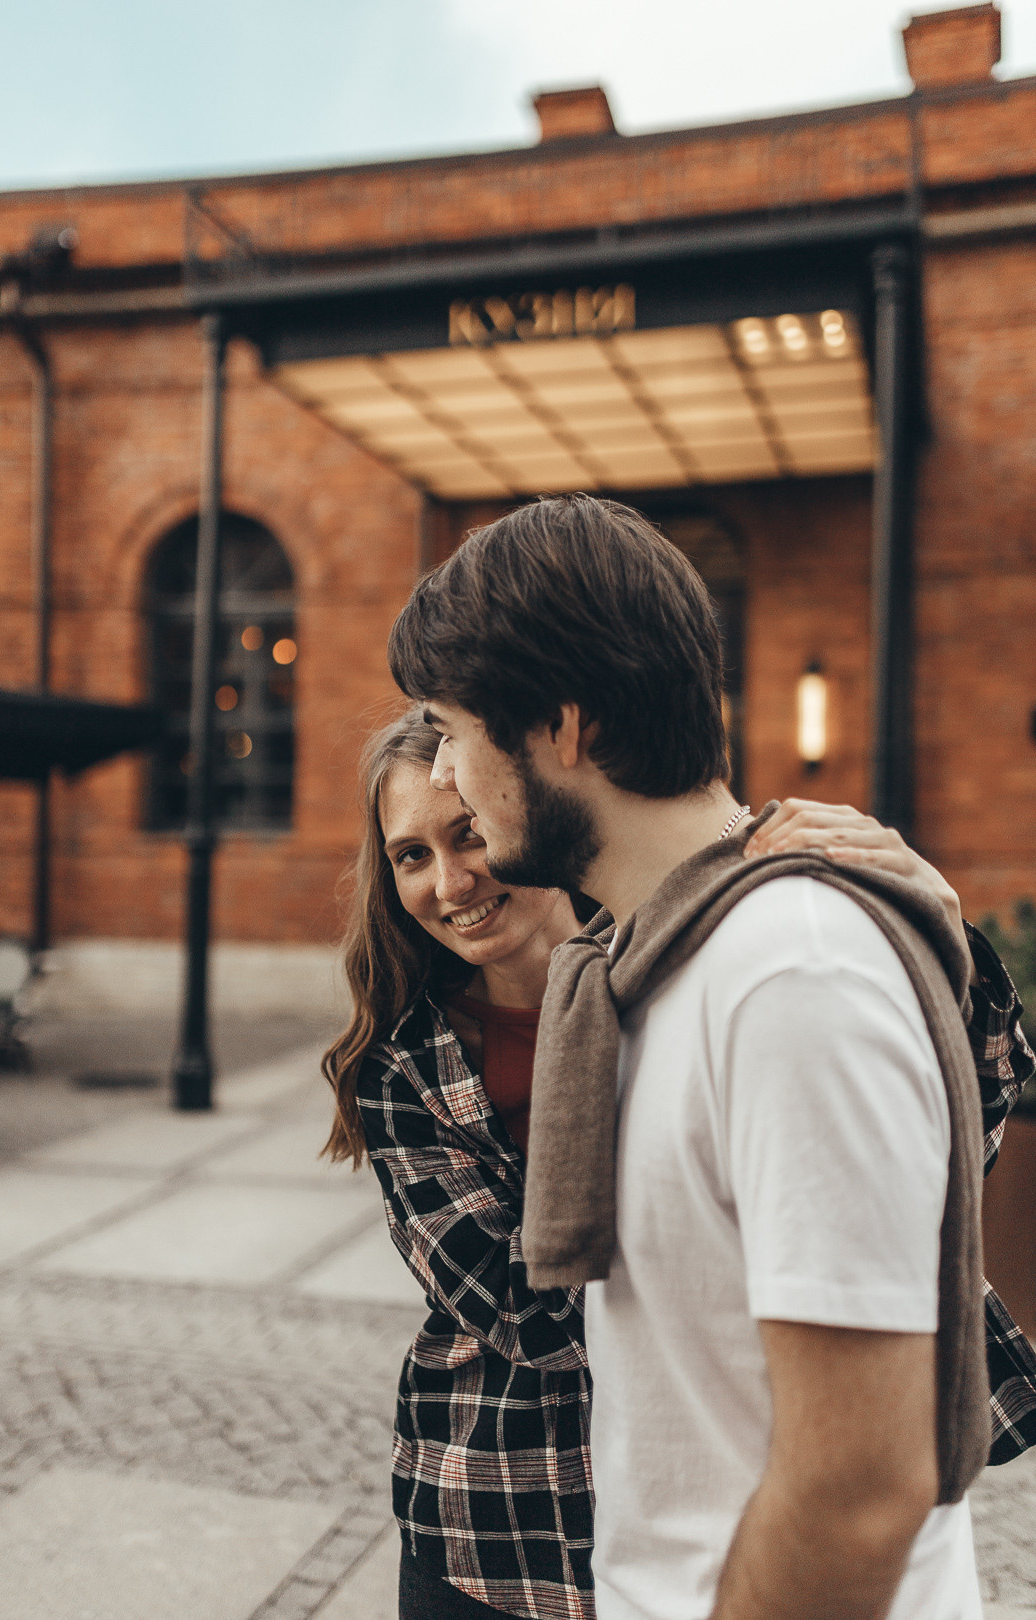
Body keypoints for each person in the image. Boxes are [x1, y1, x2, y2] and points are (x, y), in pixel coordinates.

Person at [386, 494, 1036, 1620]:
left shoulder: (790, 971)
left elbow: (862, 1483)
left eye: (453, 728)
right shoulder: (649, 967)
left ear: (566, 726)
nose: (444, 772)